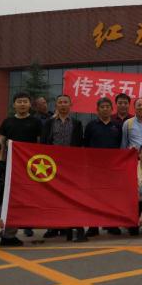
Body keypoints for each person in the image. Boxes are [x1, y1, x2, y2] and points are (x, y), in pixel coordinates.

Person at [40, 94, 86, 242]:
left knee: (72, 196)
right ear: (56, 105)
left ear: (70, 105)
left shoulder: (77, 123)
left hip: (71, 166)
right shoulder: (49, 123)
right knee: (52, 196)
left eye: (65, 102)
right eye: (60, 102)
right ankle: (53, 227)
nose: (63, 104)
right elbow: (44, 144)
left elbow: (79, 144)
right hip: (52, 165)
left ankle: (73, 226)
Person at [0, 91, 42, 237]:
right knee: (10, 194)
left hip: (30, 165)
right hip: (11, 165)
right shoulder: (7, 122)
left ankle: (28, 224)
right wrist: (0, 160)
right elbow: (1, 141)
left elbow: (40, 143)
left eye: (25, 101)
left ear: (30, 104)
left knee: (29, 193)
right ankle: (6, 225)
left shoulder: (36, 122)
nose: (22, 104)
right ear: (14, 105)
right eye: (19, 102)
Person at [83, 97, 123, 237]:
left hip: (112, 168)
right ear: (97, 110)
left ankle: (112, 225)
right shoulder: (91, 125)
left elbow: (121, 145)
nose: (105, 109)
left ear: (112, 109)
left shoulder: (117, 126)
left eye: (107, 106)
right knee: (94, 197)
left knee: (112, 197)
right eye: (102, 107)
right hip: (95, 168)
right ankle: (93, 226)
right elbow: (86, 145)